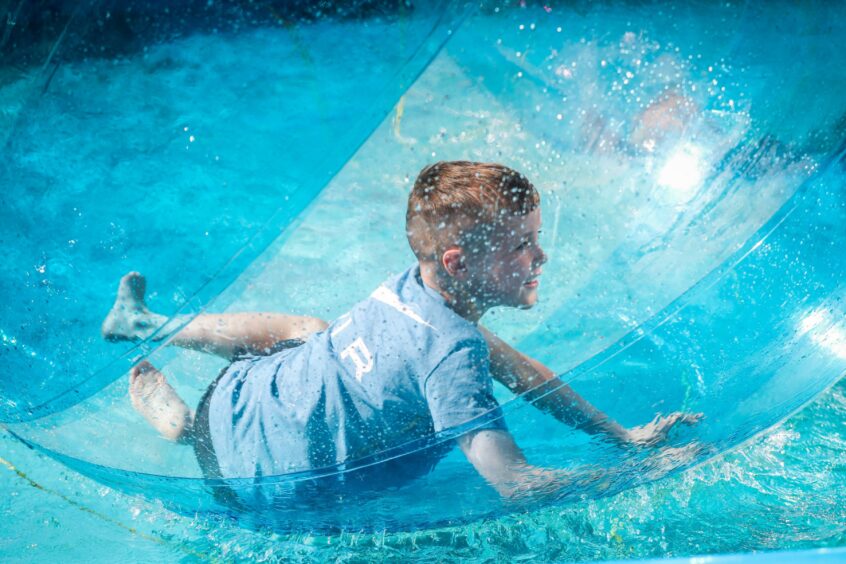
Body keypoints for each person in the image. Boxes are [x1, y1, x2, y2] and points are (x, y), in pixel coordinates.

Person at [103, 161, 698, 501]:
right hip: (261, 493)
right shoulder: (451, 356)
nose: (541, 256)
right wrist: (637, 473)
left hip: (244, 402)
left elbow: (522, 371)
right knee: (312, 342)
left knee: (316, 330)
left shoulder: (408, 288)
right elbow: (517, 484)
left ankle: (153, 328)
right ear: (460, 263)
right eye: (523, 244)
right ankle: (183, 428)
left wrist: (620, 434)